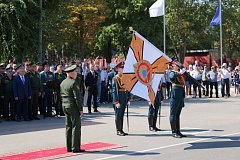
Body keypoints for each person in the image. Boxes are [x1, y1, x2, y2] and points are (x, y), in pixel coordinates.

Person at [60, 64, 85, 153]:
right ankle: (75, 147)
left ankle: (69, 147)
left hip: (65, 106)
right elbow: (77, 97)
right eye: (74, 72)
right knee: (76, 126)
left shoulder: (63, 82)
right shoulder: (73, 83)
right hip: (73, 106)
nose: (76, 74)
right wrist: (81, 109)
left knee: (68, 126)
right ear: (71, 73)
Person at [169, 60, 186, 138]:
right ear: (174, 66)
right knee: (173, 113)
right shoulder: (172, 72)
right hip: (175, 92)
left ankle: (178, 131)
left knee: (178, 114)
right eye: (177, 65)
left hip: (180, 93)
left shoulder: (180, 73)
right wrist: (180, 73)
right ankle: (174, 131)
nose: (178, 67)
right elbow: (172, 77)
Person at [112, 62, 130, 136]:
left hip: (124, 97)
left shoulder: (125, 77)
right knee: (118, 114)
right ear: (118, 69)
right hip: (119, 97)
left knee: (122, 114)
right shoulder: (115, 78)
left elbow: (128, 88)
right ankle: (118, 130)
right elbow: (114, 90)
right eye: (121, 68)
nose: (123, 69)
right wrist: (116, 101)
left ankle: (121, 129)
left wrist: (128, 99)